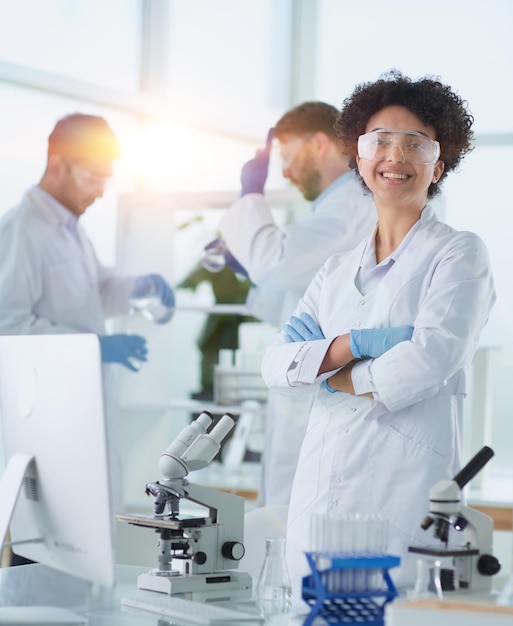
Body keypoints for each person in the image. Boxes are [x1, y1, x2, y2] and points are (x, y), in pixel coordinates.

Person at [260, 70, 496, 602]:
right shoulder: (335, 271)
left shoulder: (459, 254)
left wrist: (328, 373)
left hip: (400, 498)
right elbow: (276, 367)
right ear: (358, 159)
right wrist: (353, 346)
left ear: (438, 165)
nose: (396, 156)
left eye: (416, 144)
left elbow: (430, 358)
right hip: (319, 502)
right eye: (380, 142)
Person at [0, 113, 175, 563]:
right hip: (44, 419)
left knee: (83, 551)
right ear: (57, 165)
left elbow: (95, 289)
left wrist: (139, 285)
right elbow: (8, 325)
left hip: (79, 414)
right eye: (92, 177)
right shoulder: (22, 230)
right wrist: (93, 346)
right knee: (43, 556)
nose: (99, 191)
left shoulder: (71, 231)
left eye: (106, 180)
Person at [215, 102, 377, 505]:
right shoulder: (333, 209)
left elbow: (281, 265)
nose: (284, 171)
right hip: (309, 376)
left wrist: (251, 195)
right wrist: (249, 266)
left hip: (326, 381)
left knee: (301, 510)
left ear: (319, 144)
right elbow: (288, 292)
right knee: (288, 508)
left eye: (286, 157)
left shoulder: (352, 205)